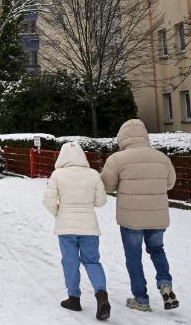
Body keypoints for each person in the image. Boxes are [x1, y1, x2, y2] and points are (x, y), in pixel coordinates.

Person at [101, 119, 178, 312]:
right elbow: (170, 183)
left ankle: (141, 299)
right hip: (157, 217)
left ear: (122, 137)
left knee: (133, 257)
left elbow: (107, 186)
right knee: (157, 250)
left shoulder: (117, 159)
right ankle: (165, 283)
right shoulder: (162, 158)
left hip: (131, 219)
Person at [43, 142, 111, 321]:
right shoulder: (93, 174)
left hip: (66, 227)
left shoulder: (57, 175)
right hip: (89, 226)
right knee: (92, 261)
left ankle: (74, 298)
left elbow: (48, 201)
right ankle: (101, 294)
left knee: (70, 262)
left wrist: (59, 214)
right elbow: (101, 201)